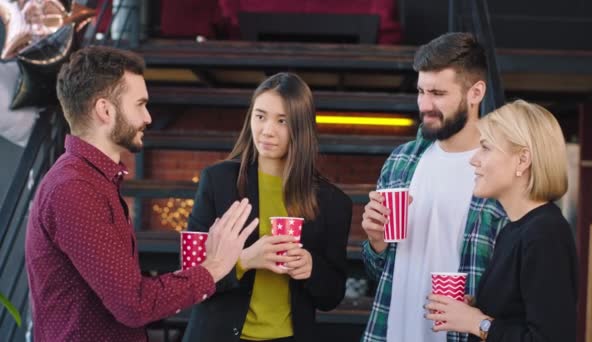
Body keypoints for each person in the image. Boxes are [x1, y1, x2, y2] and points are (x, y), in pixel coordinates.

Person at [25, 46, 258, 342]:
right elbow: (134, 304)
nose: (148, 117)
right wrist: (213, 268)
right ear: (105, 110)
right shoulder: (74, 188)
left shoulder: (92, 181)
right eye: (140, 104)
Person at [360, 32, 508, 342]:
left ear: (475, 92)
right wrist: (376, 242)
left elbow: (517, 282)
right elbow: (378, 272)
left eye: (438, 93)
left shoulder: (501, 170)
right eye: (420, 91)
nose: (425, 105)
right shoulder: (401, 162)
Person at [183, 72, 353, 342]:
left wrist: (311, 268)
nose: (267, 130)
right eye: (260, 116)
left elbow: (332, 296)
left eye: (282, 121)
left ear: (301, 127)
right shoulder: (218, 181)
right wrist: (245, 260)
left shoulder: (333, 202)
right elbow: (189, 277)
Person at [424, 100, 577, 342]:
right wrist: (475, 308)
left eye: (485, 147)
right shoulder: (513, 229)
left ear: (522, 160)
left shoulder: (544, 233)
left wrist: (477, 322)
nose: (474, 159)